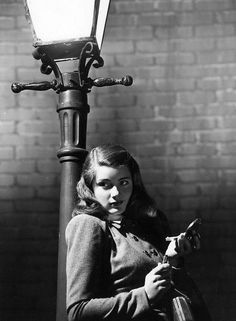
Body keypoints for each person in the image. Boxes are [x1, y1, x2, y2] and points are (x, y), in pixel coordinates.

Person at [66, 144, 211, 321]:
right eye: (105, 185)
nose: (116, 193)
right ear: (90, 187)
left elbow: (180, 301)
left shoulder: (144, 224)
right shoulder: (88, 224)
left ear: (134, 183)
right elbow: (78, 312)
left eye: (124, 182)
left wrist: (173, 260)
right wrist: (144, 296)